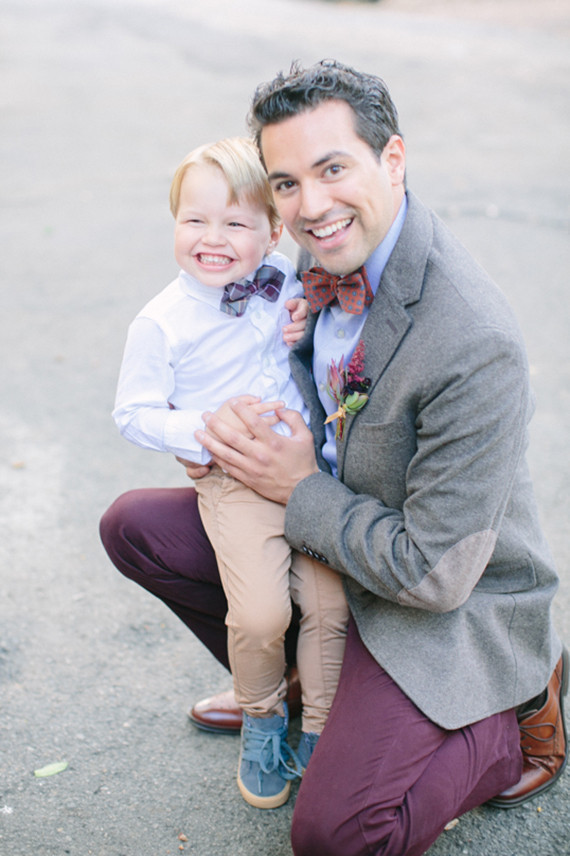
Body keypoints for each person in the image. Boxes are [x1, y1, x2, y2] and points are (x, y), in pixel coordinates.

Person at [100, 61, 567, 855]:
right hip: (336, 535)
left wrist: (297, 484)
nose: (311, 205)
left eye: (332, 169)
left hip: (439, 597)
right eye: (286, 183)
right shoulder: (308, 270)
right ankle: (287, 691)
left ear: (393, 160)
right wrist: (225, 436)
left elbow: (435, 572)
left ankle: (500, 727)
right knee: (133, 528)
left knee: (336, 835)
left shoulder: (471, 337)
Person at [110, 136, 349, 810]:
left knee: (330, 604)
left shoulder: (283, 285)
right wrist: (203, 428)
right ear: (174, 223)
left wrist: (303, 317)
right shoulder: (161, 323)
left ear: (273, 232)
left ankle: (322, 728)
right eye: (195, 220)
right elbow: (132, 412)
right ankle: (264, 717)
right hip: (235, 476)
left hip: (308, 470)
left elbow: (304, 344)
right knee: (262, 611)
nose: (213, 239)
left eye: (236, 223)